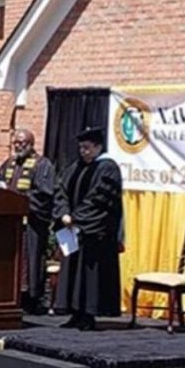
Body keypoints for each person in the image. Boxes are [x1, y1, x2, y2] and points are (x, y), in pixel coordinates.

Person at [53, 126, 123, 330]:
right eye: (81, 147)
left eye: (87, 147)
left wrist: (75, 219)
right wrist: (63, 213)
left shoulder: (108, 168)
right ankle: (75, 313)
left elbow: (99, 199)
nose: (83, 151)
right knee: (72, 272)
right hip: (73, 231)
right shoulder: (75, 167)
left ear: (98, 147)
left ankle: (89, 315)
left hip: (94, 233)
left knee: (90, 276)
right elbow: (61, 192)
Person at [0, 130, 55, 315]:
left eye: (22, 143)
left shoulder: (42, 165)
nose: (18, 146)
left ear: (31, 144)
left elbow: (44, 195)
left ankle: (31, 300)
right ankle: (10, 297)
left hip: (32, 225)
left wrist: (18, 198)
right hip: (10, 226)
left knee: (31, 262)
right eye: (16, 143)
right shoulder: (9, 163)